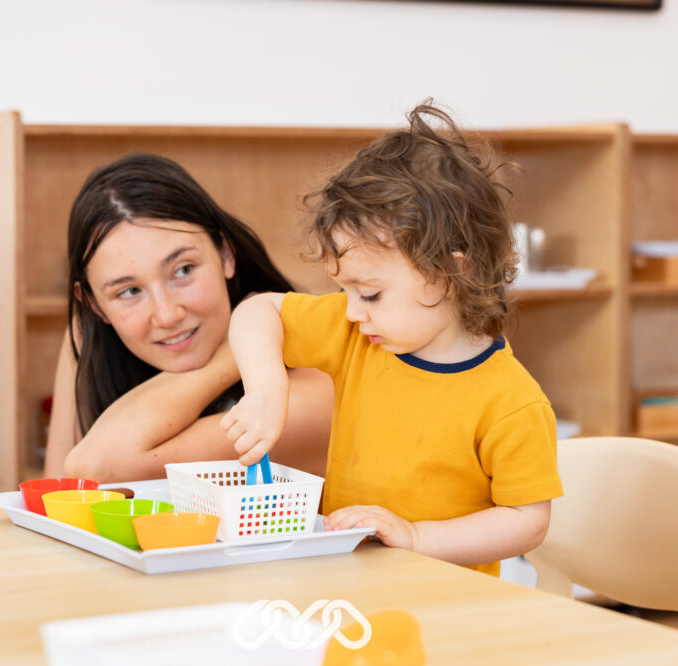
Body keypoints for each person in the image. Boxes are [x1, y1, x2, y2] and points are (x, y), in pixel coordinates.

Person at [219, 102, 563, 576]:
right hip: (351, 584)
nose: (353, 310)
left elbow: (527, 521)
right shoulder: (358, 331)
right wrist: (267, 389)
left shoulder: (511, 402)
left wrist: (416, 537)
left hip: (449, 606)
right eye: (346, 291)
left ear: (449, 273)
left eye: (371, 293)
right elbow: (258, 310)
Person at [44, 153, 332, 482]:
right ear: (95, 306)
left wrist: (257, 330)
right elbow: (57, 497)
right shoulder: (87, 335)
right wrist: (238, 348)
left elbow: (97, 465)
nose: (167, 315)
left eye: (183, 270)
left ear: (226, 254)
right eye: (128, 292)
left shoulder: (313, 372)